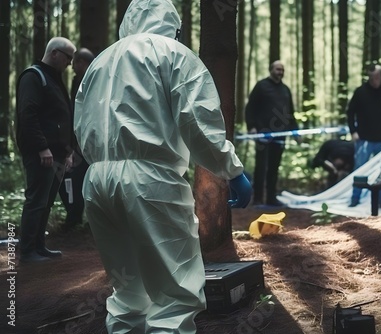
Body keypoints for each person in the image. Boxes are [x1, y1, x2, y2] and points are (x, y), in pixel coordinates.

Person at [73, 1, 252, 333]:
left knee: (127, 293)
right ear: (173, 24)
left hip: (97, 182)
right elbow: (198, 123)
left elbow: (82, 125)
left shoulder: (100, 62)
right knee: (175, 294)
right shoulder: (172, 53)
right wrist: (232, 170)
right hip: (151, 182)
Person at [15, 37, 76, 263]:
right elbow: (27, 114)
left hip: (58, 154)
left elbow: (62, 117)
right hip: (42, 154)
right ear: (54, 54)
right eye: (68, 57)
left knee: (47, 202)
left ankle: (39, 247)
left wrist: (68, 151)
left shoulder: (53, 79)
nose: (70, 62)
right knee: (36, 201)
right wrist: (42, 148)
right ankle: (28, 251)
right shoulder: (34, 77)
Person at [245, 60, 301, 206]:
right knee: (261, 167)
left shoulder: (285, 90)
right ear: (271, 70)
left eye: (282, 70)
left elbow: (290, 112)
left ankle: (271, 198)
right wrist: (251, 127)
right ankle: (257, 199)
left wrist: (296, 132)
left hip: (280, 135)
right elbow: (250, 107)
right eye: (277, 69)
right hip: (263, 134)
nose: (280, 72)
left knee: (274, 167)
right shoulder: (261, 86)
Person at [347, 64, 381, 208]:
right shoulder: (360, 92)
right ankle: (355, 198)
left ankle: (380, 199)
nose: (375, 80)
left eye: (377, 76)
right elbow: (350, 112)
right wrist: (353, 131)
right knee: (360, 169)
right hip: (363, 139)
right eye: (372, 77)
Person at [58, 48, 95, 230]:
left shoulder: (95, 80)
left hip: (91, 143)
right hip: (78, 143)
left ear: (82, 62)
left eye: (74, 63)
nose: (71, 67)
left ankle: (81, 218)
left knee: (84, 179)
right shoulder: (77, 81)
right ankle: (74, 216)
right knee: (69, 178)